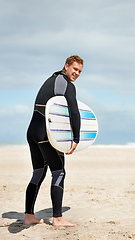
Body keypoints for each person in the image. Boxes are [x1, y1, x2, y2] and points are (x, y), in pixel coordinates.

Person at [23, 55, 84, 227]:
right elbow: (74, 111)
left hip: (32, 132)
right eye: (75, 69)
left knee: (38, 173)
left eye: (80, 71)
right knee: (59, 172)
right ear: (66, 66)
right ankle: (58, 218)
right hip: (45, 134)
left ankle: (28, 216)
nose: (77, 73)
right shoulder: (67, 85)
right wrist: (76, 138)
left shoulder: (50, 80)